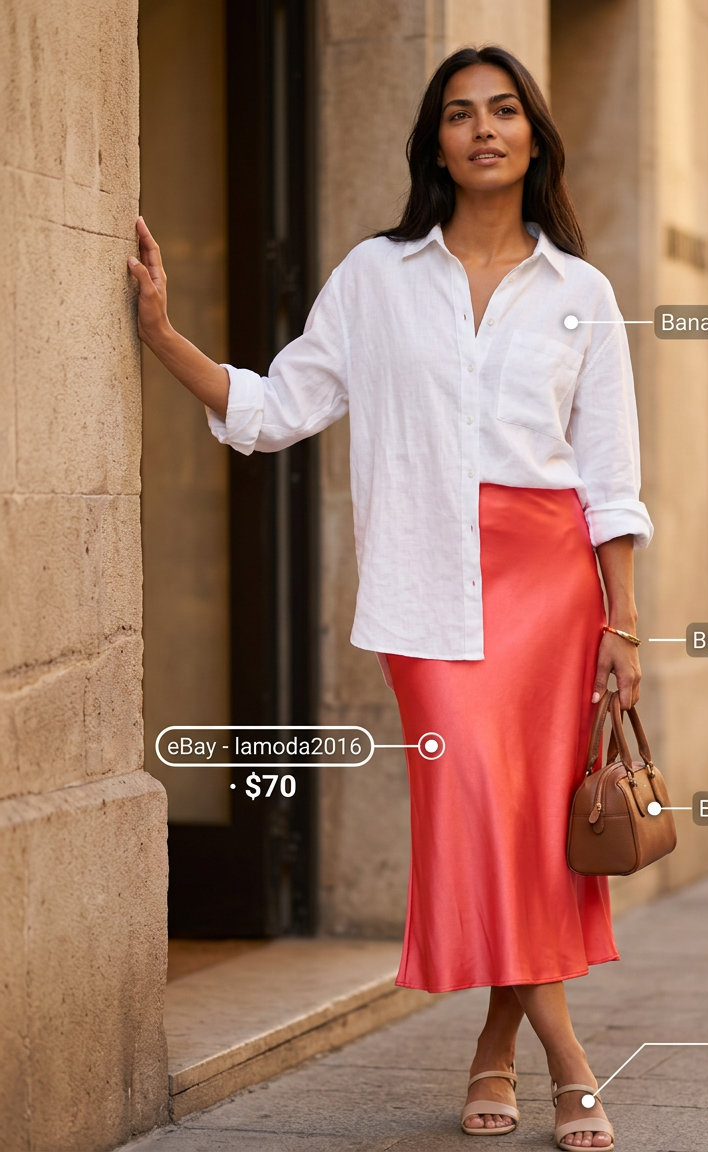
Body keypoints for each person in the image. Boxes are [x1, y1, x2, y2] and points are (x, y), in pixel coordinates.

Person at [129, 43, 652, 1151]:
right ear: (435, 144)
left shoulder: (582, 292)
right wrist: (165, 336)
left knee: (528, 831)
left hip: (550, 585)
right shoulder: (375, 277)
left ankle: (499, 1053)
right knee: (475, 813)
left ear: (532, 135)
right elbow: (276, 406)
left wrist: (623, 623)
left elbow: (609, 477)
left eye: (504, 110)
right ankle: (570, 1056)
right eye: (460, 113)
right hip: (428, 589)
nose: (483, 129)